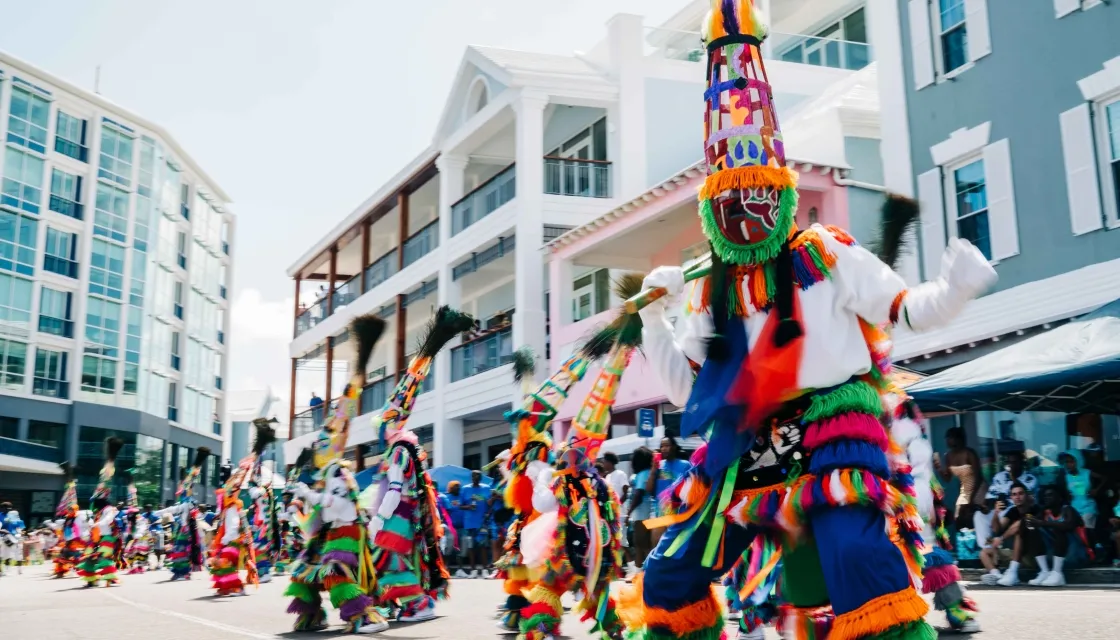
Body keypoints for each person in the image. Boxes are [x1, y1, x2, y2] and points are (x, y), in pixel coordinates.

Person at [616, 2, 997, 638]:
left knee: (856, 557)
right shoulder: (712, 287)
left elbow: (906, 310)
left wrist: (954, 291)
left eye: (758, 193)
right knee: (670, 571)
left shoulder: (825, 252)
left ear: (782, 192)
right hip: (743, 442)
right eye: (731, 200)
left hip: (832, 429)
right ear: (712, 208)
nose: (747, 209)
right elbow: (689, 393)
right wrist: (656, 320)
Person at [286, 314, 393, 634]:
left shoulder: (338, 473)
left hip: (345, 532)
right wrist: (301, 509)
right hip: (325, 533)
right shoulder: (325, 470)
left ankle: (365, 615)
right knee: (303, 571)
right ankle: (311, 613)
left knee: (335, 569)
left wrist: (308, 495)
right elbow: (318, 517)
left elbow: (341, 507)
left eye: (326, 440)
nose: (320, 445)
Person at [367, 307, 463, 621]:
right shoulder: (407, 449)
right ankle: (396, 603)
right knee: (397, 559)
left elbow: (395, 488)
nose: (379, 431)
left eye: (382, 425)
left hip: (398, 513)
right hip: (405, 514)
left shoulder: (398, 451)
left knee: (391, 558)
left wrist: (379, 518)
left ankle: (418, 604)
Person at [76, 438, 123, 587]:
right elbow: (88, 521)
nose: (93, 502)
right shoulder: (96, 511)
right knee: (89, 557)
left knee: (104, 557)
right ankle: (91, 579)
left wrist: (96, 523)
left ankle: (110, 578)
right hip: (95, 537)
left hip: (107, 537)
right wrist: (88, 528)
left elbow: (108, 520)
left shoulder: (109, 509)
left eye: (95, 500)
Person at [644, 436, 689, 547]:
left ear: (674, 447)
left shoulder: (685, 465)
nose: (664, 449)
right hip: (660, 511)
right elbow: (649, 489)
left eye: (667, 446)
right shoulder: (658, 466)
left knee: (675, 546)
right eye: (662, 446)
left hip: (679, 512)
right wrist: (654, 470)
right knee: (656, 544)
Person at [1059, 450, 1105, 534]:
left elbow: (1104, 478)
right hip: (1074, 507)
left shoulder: (1087, 473)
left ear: (1078, 461)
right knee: (1075, 532)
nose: (1068, 464)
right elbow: (1067, 495)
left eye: (1071, 461)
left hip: (1088, 507)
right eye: (1066, 462)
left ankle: (1092, 546)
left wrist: (1096, 490)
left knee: (1086, 532)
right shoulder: (1066, 477)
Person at [459, 470, 493, 578]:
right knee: (471, 547)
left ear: (481, 477)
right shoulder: (465, 489)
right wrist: (468, 507)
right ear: (471, 477)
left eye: (478, 475)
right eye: (474, 475)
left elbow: (490, 504)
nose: (476, 477)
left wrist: (488, 513)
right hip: (469, 523)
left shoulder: (486, 488)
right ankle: (473, 571)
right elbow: (460, 505)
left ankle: (484, 570)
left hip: (482, 522)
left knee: (483, 545)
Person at [627, 447, 656, 569]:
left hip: (643, 513)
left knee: (643, 543)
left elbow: (639, 494)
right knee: (638, 544)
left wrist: (629, 512)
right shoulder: (644, 473)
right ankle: (639, 570)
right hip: (641, 513)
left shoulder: (644, 473)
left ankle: (650, 570)